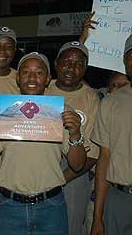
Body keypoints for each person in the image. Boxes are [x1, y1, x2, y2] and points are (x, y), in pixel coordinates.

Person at [0, 52, 88, 235]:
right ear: (17, 77)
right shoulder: (4, 110)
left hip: (51, 206)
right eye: (25, 72)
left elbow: (77, 165)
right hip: (9, 205)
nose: (32, 78)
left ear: (47, 79)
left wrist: (75, 132)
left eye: (39, 73)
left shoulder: (61, 112)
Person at [46, 41, 100, 235]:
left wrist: (61, 178)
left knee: (70, 229)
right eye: (66, 61)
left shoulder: (92, 98)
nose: (71, 67)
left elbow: (94, 153)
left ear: (85, 69)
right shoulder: (41, 88)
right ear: (55, 63)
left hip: (74, 173)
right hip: (40, 169)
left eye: (79, 63)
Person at [90, 34, 132, 235]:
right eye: (131, 55)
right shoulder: (111, 102)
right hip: (119, 200)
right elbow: (103, 160)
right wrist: (97, 217)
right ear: (125, 61)